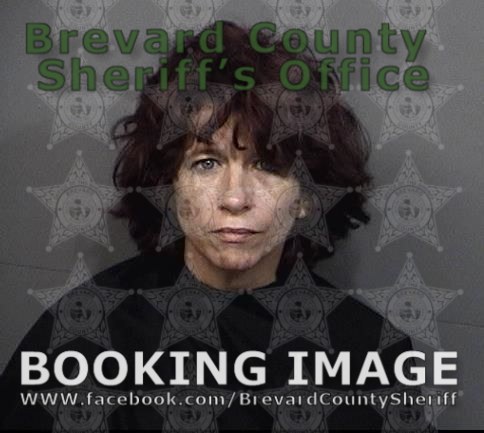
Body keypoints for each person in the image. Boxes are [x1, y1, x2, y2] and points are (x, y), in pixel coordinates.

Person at [0, 21, 416, 432]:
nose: (235, 198)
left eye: (267, 165)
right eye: (206, 164)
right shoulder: (86, 334)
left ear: (307, 196)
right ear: (169, 185)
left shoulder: (371, 353)